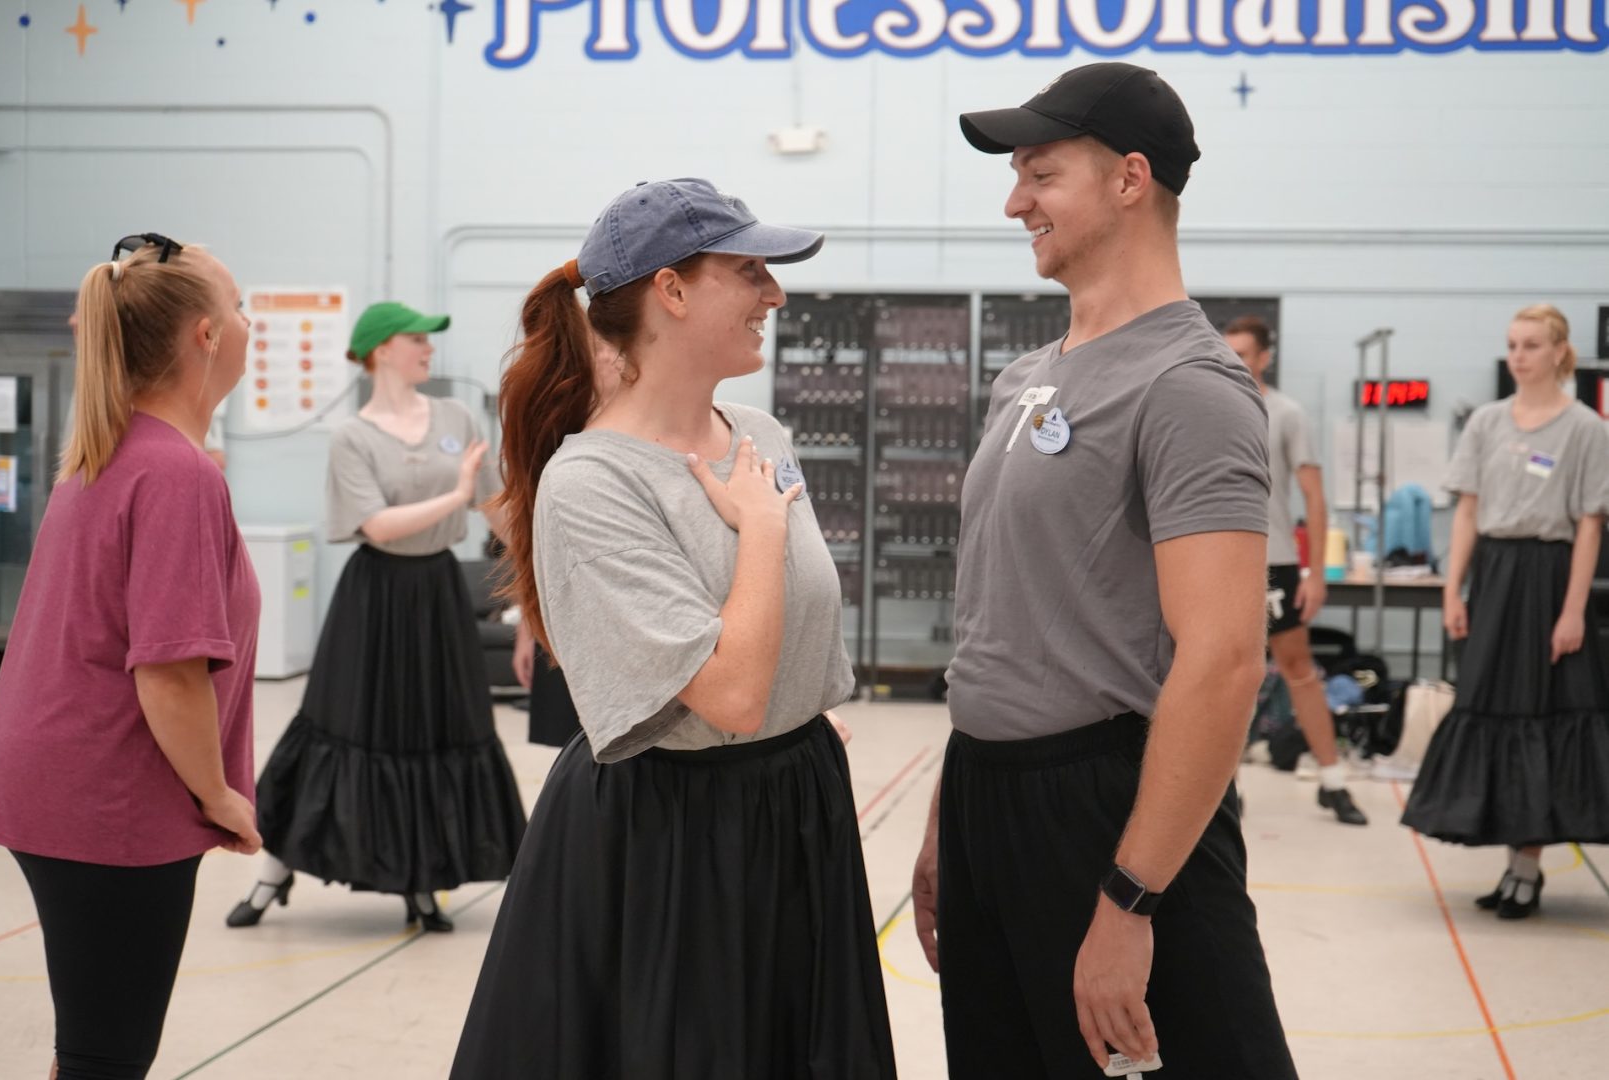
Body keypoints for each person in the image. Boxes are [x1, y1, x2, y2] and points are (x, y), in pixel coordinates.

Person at [450, 178, 894, 1079]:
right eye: (750, 270)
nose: (774, 294)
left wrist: (798, 708)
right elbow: (728, 694)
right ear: (672, 290)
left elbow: (771, 654)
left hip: (793, 804)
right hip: (676, 843)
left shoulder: (759, 432)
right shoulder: (595, 484)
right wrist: (763, 533)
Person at [912, 64, 1298, 1079]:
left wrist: (1132, 901)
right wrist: (951, 820)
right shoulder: (1026, 377)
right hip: (989, 799)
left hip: (1112, 812)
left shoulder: (1191, 387)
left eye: (1041, 173)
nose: (1013, 200)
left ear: (1131, 180)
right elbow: (999, 623)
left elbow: (1220, 660)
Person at [0, 233, 262, 1079]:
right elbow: (169, 671)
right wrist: (218, 796)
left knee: (97, 1047)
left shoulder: (111, 457)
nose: (250, 323)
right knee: (107, 1058)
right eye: (241, 308)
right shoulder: (174, 473)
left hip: (58, 784)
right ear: (205, 338)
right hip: (109, 800)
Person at [225, 302, 527, 932]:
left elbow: (492, 500)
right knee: (341, 729)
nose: (427, 348)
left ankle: (421, 881)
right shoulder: (352, 437)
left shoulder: (456, 418)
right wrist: (455, 492)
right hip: (376, 596)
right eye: (416, 339)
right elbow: (378, 526)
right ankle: (272, 874)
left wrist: (536, 559)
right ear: (380, 349)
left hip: (437, 590)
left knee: (434, 731)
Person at [1401, 304, 1609, 918]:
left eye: (1532, 345)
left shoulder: (1585, 428)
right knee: (1492, 709)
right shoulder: (1487, 423)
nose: (1519, 355)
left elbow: (1589, 524)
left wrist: (1573, 612)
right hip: (1494, 575)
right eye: (1513, 344)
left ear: (1558, 352)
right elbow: (1466, 510)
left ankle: (1527, 870)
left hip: (1549, 578)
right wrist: (1452, 588)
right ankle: (1514, 866)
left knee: (1542, 714)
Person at [1223, 314, 1367, 825]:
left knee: (1298, 670)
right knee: (1221, 676)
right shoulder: (1209, 405)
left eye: (1243, 353)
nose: (1235, 361)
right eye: (1228, 351)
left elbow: (1313, 495)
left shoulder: (1286, 413)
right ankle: (1225, 790)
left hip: (1275, 561)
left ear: (1264, 357)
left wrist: (1317, 573)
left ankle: (1333, 782)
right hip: (1218, 564)